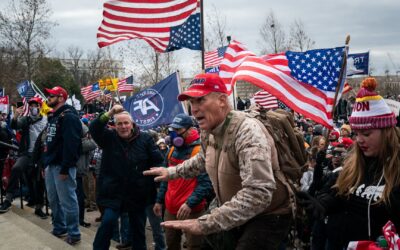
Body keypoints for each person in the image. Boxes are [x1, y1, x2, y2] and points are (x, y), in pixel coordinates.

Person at [144, 73, 293, 250]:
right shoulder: (208, 131)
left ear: (222, 100)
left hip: (268, 215)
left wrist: (205, 223)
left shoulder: (248, 132)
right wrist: (171, 173)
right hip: (232, 208)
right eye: (191, 102)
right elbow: (202, 160)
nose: (194, 109)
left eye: (200, 100)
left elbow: (259, 194)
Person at [300, 77, 400, 249]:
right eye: (357, 133)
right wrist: (322, 203)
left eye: (367, 134)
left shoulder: (396, 170)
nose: (359, 140)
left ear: (387, 133)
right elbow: (338, 192)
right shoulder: (353, 163)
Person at [89, 104, 164, 250]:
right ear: (115, 126)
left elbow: (158, 161)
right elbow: (94, 128)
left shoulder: (145, 139)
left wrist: (156, 184)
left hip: (138, 193)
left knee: (138, 231)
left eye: (126, 123)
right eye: (119, 124)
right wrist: (110, 112)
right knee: (107, 223)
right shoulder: (109, 138)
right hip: (114, 193)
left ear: (132, 124)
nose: (123, 127)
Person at [154, 113, 213, 250]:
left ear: (191, 129)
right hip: (171, 208)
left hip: (192, 210)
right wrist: (159, 201)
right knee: (171, 244)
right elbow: (166, 177)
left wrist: (189, 204)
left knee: (194, 245)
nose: (175, 134)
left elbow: (205, 184)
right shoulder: (172, 150)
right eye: (173, 130)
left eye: (179, 130)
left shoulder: (200, 151)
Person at [42, 86, 82, 245]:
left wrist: (66, 167)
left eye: (51, 96)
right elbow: (48, 143)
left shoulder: (69, 117)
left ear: (61, 98)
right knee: (53, 199)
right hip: (51, 165)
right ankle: (59, 227)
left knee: (68, 201)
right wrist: (45, 164)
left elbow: (71, 145)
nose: (48, 98)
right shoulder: (54, 116)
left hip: (62, 167)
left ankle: (74, 233)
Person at [0, 97, 47, 218]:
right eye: (30, 105)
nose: (32, 108)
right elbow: (15, 125)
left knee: (39, 181)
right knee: (16, 168)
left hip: (40, 155)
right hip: (26, 153)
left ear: (40, 107)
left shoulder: (46, 120)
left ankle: (39, 207)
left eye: (35, 105)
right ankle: (8, 200)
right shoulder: (26, 120)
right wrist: (15, 115)